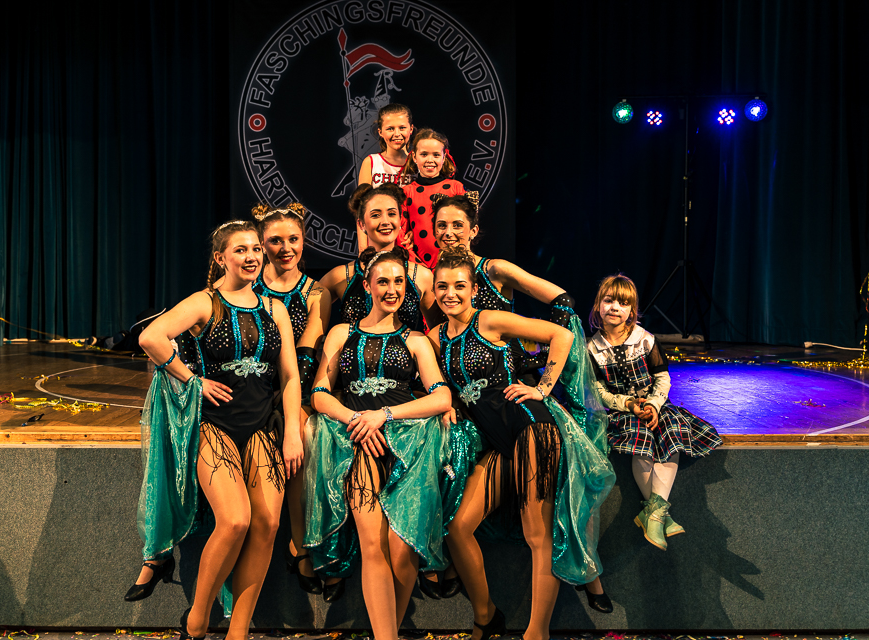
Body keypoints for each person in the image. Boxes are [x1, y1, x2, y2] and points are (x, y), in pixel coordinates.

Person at [430, 195, 614, 611]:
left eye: (458, 224)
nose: (449, 232)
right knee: (459, 523)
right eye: (441, 225)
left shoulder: (493, 279)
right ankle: (484, 614)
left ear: (474, 230)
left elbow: (561, 317)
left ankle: (551, 618)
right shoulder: (437, 324)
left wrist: (541, 377)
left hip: (525, 410)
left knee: (544, 526)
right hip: (491, 426)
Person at [132, 220, 302, 640]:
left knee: (267, 524)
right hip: (214, 427)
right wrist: (193, 380)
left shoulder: (275, 309)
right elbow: (151, 338)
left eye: (255, 249)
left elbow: (290, 377)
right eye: (240, 250)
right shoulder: (205, 303)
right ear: (220, 257)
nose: (251, 256)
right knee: (235, 521)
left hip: (260, 429)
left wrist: (293, 433)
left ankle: (238, 632)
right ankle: (198, 617)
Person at [304, 246, 453, 638]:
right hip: (356, 443)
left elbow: (441, 397)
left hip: (408, 446)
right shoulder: (342, 332)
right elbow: (320, 393)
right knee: (373, 545)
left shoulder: (416, 340)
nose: (392, 289)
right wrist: (356, 419)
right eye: (383, 281)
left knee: (402, 551)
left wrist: (383, 416)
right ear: (367, 285)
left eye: (399, 282)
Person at [588, 274, 721, 550]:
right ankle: (659, 516)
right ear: (598, 305)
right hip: (623, 411)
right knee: (641, 438)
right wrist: (628, 404)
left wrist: (653, 404)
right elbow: (598, 391)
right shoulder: (593, 349)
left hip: (655, 406)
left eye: (623, 303)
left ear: (632, 311)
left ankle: (653, 513)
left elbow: (662, 379)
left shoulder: (645, 340)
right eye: (609, 300)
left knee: (671, 430)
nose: (615, 307)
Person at [250, 203, 331, 594]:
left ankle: (299, 542)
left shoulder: (317, 292)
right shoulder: (248, 287)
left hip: (292, 385)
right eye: (276, 241)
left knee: (298, 431)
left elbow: (305, 356)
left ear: (304, 240)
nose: (286, 248)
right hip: (250, 385)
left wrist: (291, 401)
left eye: (293, 239)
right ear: (261, 243)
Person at [320, 183, 438, 332]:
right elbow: (309, 312)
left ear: (400, 220)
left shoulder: (421, 276)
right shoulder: (341, 276)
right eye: (375, 215)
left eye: (392, 214)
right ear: (361, 224)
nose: (385, 222)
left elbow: (440, 332)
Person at [356, 104, 415, 254]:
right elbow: (361, 209)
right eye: (390, 128)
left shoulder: (418, 164)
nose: (397, 133)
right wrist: (363, 250)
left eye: (402, 128)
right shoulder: (371, 162)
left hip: (410, 245)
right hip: (378, 243)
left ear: (411, 129)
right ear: (380, 132)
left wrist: (416, 233)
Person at [402, 129, 465, 268]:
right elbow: (402, 235)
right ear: (414, 157)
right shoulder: (406, 192)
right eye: (424, 154)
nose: (430, 160)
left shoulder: (456, 188)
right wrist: (418, 267)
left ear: (444, 157)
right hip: (418, 268)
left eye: (436, 155)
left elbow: (465, 229)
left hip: (452, 265)